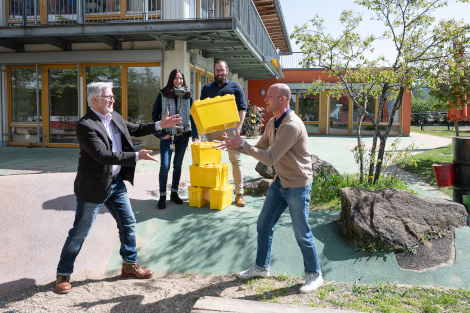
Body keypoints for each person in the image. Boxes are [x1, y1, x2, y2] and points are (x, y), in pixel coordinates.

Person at [55, 82, 182, 294]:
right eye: (108, 96)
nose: (113, 99)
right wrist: (136, 156)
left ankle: (129, 265)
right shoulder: (85, 125)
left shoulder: (114, 116)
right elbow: (102, 155)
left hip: (115, 183)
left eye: (113, 96)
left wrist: (160, 124)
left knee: (128, 222)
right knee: (80, 232)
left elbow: (136, 129)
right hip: (93, 187)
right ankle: (63, 273)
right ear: (94, 100)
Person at [215, 83, 323, 293]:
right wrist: (237, 144)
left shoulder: (292, 125)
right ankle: (261, 267)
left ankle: (315, 274)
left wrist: (244, 145)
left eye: (270, 96)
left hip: (297, 185)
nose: (266, 99)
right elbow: (260, 147)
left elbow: (271, 157)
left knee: (301, 232)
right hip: (279, 182)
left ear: (282, 99)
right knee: (264, 224)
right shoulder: (273, 122)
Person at [200, 59, 247, 207]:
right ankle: (210, 193)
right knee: (210, 163)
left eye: (222, 70)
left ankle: (239, 194)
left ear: (227, 71)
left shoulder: (236, 87)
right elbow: (202, 110)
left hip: (231, 130)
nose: (220, 73)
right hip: (212, 130)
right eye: (217, 70)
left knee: (235, 160)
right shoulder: (206, 88)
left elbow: (243, 108)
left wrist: (238, 128)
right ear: (214, 72)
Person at [152, 69, 199, 210]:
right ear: (171, 79)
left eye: (181, 78)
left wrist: (195, 135)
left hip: (183, 136)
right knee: (165, 167)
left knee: (177, 165)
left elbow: (193, 117)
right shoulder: (163, 95)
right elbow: (155, 116)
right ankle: (162, 196)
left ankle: (174, 193)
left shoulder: (188, 96)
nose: (179, 81)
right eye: (176, 78)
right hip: (167, 136)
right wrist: (160, 134)